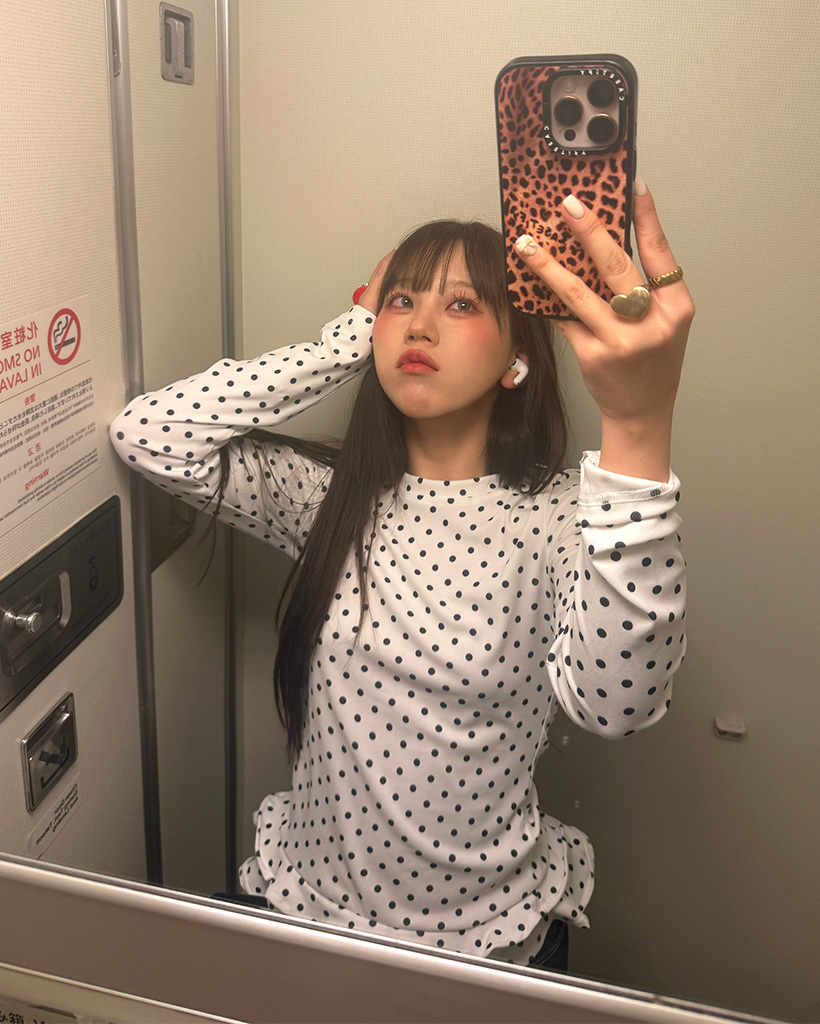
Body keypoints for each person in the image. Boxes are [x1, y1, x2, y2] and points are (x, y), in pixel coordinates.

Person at [110, 179, 693, 973]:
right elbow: (148, 435)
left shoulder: (562, 516)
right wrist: (349, 338)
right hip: (311, 915)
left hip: (487, 944)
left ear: (518, 357)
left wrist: (637, 426)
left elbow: (617, 705)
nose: (419, 324)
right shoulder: (330, 499)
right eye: (402, 301)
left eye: (461, 304)